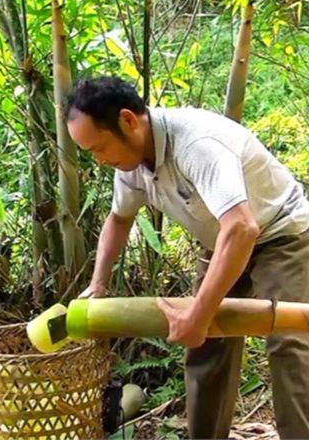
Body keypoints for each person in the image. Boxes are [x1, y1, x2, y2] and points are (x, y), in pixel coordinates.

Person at [65, 76, 309, 439]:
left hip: (281, 232)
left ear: (129, 121)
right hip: (223, 239)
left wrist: (199, 312)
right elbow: (119, 219)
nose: (100, 161)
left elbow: (243, 227)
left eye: (99, 148)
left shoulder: (196, 144)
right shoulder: (129, 164)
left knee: (289, 343)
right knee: (207, 343)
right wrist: (97, 284)